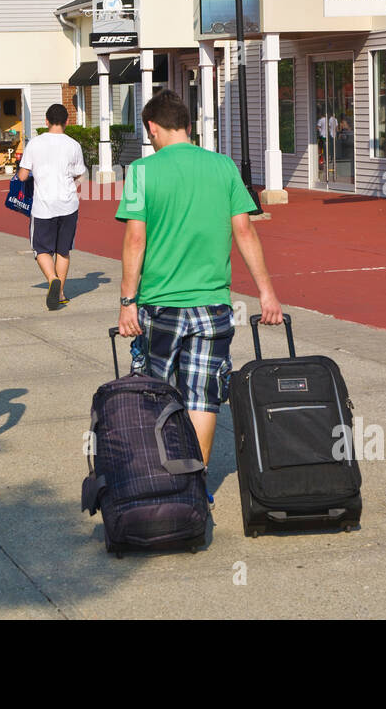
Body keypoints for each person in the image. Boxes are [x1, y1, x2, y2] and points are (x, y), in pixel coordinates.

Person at [116, 90, 283, 490]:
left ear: (153, 128)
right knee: (203, 395)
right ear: (188, 126)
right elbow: (244, 230)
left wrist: (127, 301)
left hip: (160, 305)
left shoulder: (141, 172)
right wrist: (267, 293)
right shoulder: (223, 167)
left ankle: (162, 479)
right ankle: (196, 483)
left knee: (157, 391)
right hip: (212, 303)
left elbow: (135, 240)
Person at [18, 103, 86, 310]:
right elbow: (80, 174)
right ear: (67, 121)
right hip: (68, 204)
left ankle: (51, 279)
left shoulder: (35, 144)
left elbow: (22, 175)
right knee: (63, 250)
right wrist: (71, 186)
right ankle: (61, 293)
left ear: (46, 121)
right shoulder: (73, 145)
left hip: (43, 206)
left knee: (41, 249)